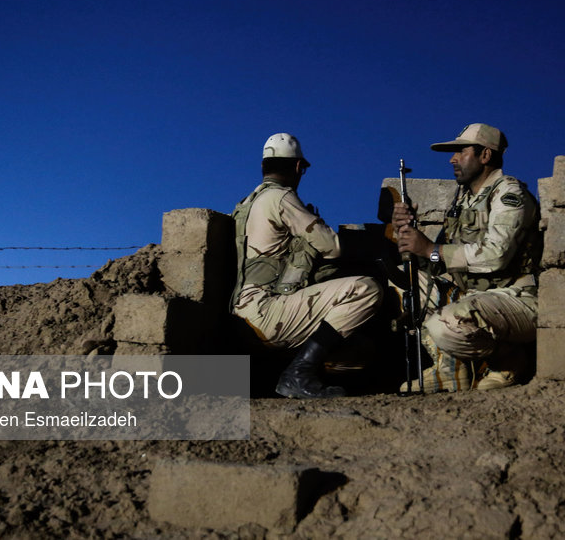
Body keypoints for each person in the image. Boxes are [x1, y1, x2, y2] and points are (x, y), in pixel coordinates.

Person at [230, 133, 383, 399]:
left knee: (357, 347)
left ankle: (296, 372)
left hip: (242, 315)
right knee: (366, 289)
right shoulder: (281, 198)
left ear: (264, 165)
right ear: (299, 167)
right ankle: (297, 374)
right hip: (266, 313)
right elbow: (332, 246)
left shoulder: (246, 203)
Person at [393, 123, 540, 392]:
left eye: (461, 151)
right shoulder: (463, 202)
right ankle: (452, 372)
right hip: (473, 296)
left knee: (445, 324)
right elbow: (435, 265)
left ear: (485, 155)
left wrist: (430, 249)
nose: (453, 159)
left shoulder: (509, 194)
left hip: (515, 298)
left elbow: (496, 256)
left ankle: (509, 358)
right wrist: (408, 238)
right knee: (402, 282)